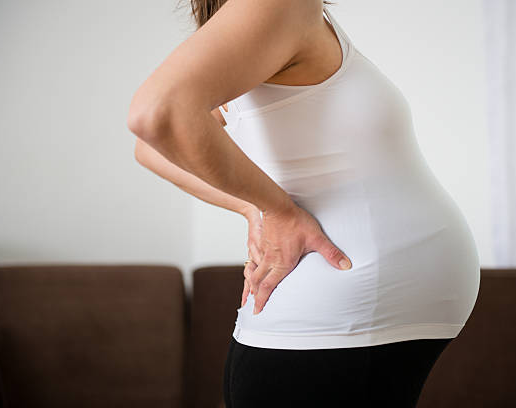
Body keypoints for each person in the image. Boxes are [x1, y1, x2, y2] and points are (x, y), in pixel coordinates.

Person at [128, 0, 480, 406]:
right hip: (345, 302)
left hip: (354, 307)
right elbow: (156, 121)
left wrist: (256, 208)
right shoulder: (276, 3)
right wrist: (272, 210)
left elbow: (150, 142)